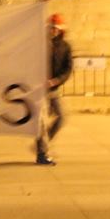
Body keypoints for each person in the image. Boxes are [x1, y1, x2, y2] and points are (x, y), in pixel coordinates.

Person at [36, 12, 72, 166]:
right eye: (50, 28)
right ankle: (42, 153)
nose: (53, 31)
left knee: (62, 117)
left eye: (55, 28)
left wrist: (57, 81)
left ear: (60, 30)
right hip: (40, 89)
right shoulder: (40, 44)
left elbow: (68, 69)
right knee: (42, 122)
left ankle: (44, 143)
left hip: (54, 88)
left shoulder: (64, 47)